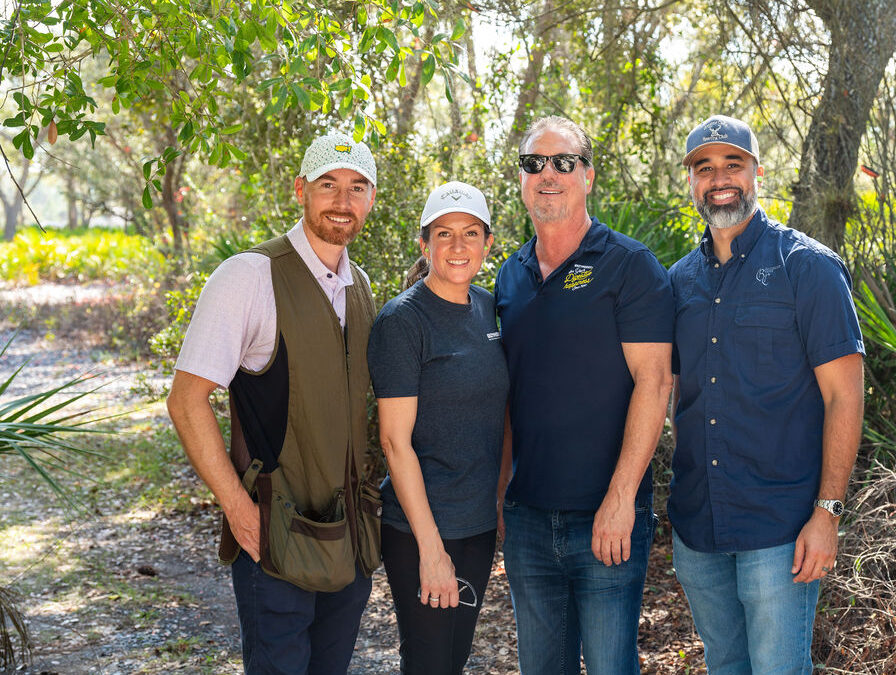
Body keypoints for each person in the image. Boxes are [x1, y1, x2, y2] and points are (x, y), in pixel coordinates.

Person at [166, 131, 380, 674]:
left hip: (349, 542)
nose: (342, 200)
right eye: (328, 184)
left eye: (357, 187)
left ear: (371, 200)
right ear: (300, 189)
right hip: (275, 537)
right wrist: (240, 511)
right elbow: (186, 401)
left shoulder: (362, 288)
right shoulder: (249, 275)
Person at [667, 114, 865, 674]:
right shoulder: (678, 281)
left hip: (781, 532)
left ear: (757, 171)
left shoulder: (808, 268)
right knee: (725, 666)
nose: (719, 178)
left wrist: (827, 513)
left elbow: (845, 398)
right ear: (691, 182)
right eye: (705, 168)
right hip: (699, 529)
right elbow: (674, 394)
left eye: (733, 164)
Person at [494, 116, 674, 675]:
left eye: (563, 162)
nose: (548, 174)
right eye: (534, 164)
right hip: (527, 518)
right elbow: (507, 396)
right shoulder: (508, 276)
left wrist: (621, 500)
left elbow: (656, 381)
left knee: (609, 666)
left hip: (607, 516)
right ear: (522, 179)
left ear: (588, 176)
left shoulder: (630, 266)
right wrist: (503, 495)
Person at [367, 181, 509, 674]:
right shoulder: (402, 322)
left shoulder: (491, 308)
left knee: (454, 659)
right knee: (429, 663)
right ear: (424, 244)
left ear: (488, 244)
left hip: (477, 524)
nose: (457, 246)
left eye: (470, 233)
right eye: (443, 234)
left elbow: (502, 415)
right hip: (420, 529)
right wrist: (431, 550)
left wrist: (500, 500)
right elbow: (393, 441)